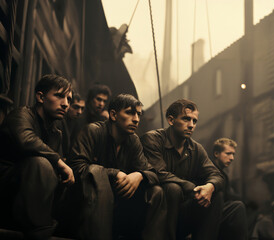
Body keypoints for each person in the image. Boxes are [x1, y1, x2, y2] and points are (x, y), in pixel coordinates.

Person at [68, 94, 166, 240]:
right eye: (129, 112)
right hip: (85, 205)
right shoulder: (93, 131)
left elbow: (152, 172)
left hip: (119, 206)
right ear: (113, 115)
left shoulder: (133, 140)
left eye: (138, 114)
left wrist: (139, 175)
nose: (136, 119)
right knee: (95, 172)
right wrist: (114, 173)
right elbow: (77, 168)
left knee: (155, 192)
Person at [0, 74, 74, 239]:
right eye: (59, 96)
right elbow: (26, 140)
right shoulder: (21, 115)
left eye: (69, 99)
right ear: (40, 97)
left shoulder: (56, 133)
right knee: (41, 163)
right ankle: (42, 229)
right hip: (6, 189)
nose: (66, 104)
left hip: (31, 196)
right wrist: (59, 162)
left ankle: (48, 226)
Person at [141, 99, 224, 240]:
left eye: (194, 121)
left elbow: (216, 174)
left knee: (217, 195)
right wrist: (191, 187)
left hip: (181, 211)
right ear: (171, 120)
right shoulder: (153, 139)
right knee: (173, 188)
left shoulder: (196, 148)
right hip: (153, 212)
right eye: (186, 119)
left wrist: (210, 186)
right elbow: (158, 173)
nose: (191, 125)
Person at [211, 137, 248, 240]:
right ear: (216, 154)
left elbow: (228, 197)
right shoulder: (209, 170)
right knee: (238, 207)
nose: (232, 158)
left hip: (219, 212)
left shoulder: (223, 174)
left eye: (233, 154)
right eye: (228, 153)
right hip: (208, 213)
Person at [59, 92, 85, 158]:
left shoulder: (78, 123)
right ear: (68, 105)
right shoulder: (58, 121)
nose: (80, 112)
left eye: (82, 108)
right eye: (76, 107)